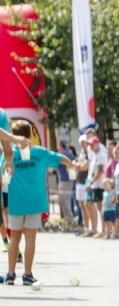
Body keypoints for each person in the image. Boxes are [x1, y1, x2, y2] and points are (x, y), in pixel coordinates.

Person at [2, 121, 75, 286]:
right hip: (35, 201)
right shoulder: (40, 152)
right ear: (30, 135)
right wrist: (71, 164)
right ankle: (27, 274)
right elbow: (60, 158)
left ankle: (11, 274)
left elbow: (4, 174)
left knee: (14, 239)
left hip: (16, 201)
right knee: (30, 239)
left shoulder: (9, 154)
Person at [0, 116, 31, 255]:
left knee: (9, 217)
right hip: (15, 190)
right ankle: (14, 246)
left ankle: (14, 245)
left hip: (11, 189)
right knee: (11, 218)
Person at [86, 135, 108, 238]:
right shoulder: (95, 155)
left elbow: (100, 171)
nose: (90, 147)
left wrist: (90, 183)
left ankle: (104, 230)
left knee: (101, 208)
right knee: (99, 208)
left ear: (97, 144)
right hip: (96, 185)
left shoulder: (101, 155)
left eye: (92, 145)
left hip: (100, 185)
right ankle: (101, 229)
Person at [73, 135, 92, 236]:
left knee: (87, 205)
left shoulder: (90, 153)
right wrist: (77, 165)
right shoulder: (81, 153)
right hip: (79, 182)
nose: (82, 145)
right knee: (81, 206)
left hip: (86, 182)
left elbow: (85, 167)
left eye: (84, 142)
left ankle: (91, 227)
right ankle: (86, 227)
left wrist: (78, 166)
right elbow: (74, 163)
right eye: (81, 143)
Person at [56, 140, 75, 225]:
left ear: (60, 146)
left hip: (64, 179)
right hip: (69, 179)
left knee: (63, 199)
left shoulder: (61, 154)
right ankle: (69, 218)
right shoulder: (70, 153)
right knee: (67, 199)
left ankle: (69, 219)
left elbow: (55, 164)